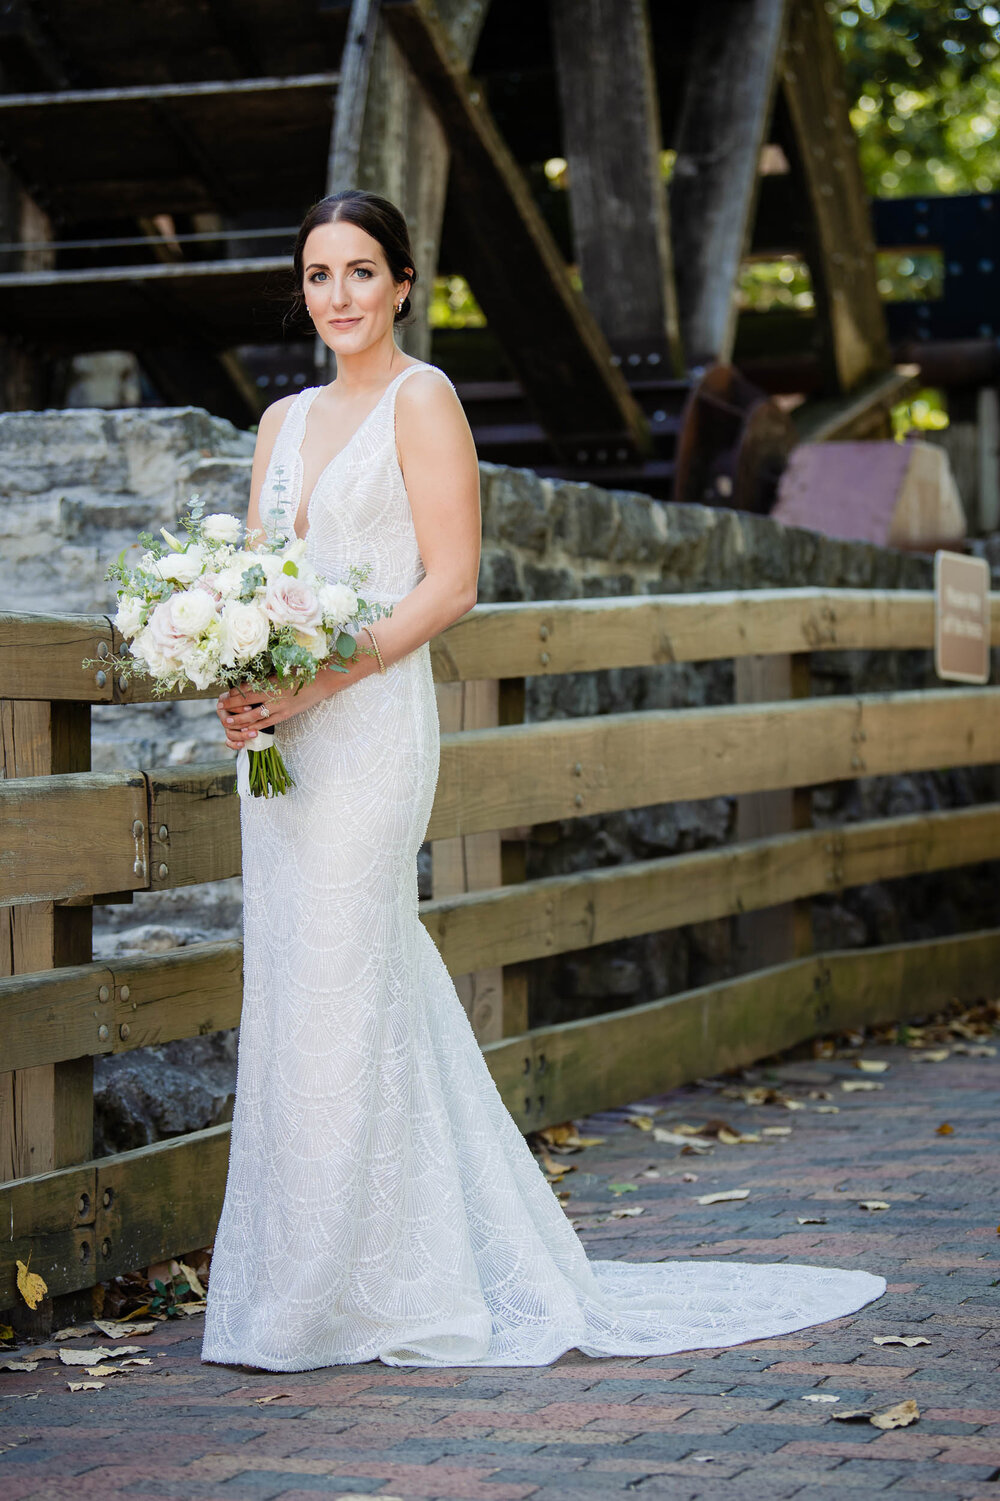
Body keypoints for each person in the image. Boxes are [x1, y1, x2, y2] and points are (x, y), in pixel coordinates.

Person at [201, 190, 885, 1372]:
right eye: (319, 277)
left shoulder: (425, 400)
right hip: (287, 748)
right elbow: (262, 581)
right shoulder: (278, 423)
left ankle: (358, 1291)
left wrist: (318, 683)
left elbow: (449, 582)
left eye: (362, 272)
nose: (341, 298)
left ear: (403, 283)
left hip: (366, 732)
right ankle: (317, 1274)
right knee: (303, 986)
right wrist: (240, 675)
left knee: (347, 970)